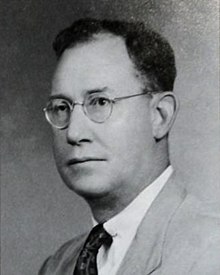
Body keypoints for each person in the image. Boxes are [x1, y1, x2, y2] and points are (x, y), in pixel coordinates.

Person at [39, 18, 220, 275]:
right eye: (61, 107)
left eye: (100, 102)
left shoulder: (212, 252)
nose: (73, 132)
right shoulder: (57, 266)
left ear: (160, 116)